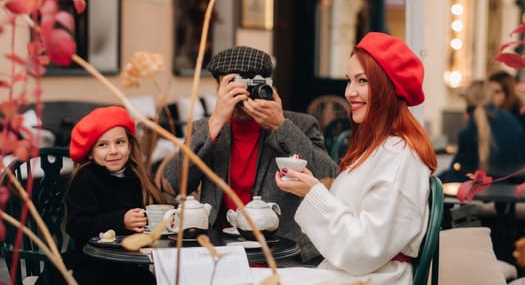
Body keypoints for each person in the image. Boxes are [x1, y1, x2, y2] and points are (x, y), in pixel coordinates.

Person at [274, 32, 437, 284]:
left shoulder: (399, 156)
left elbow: (364, 249)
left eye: (363, 81)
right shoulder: (379, 148)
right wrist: (310, 188)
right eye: (349, 81)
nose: (350, 92)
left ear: (388, 86)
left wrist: (314, 193)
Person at [163, 46, 338, 263]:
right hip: (221, 253)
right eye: (233, 85)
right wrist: (215, 122)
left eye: (250, 84)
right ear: (218, 88)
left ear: (269, 86)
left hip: (281, 254)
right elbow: (170, 184)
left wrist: (280, 126)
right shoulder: (205, 129)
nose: (242, 94)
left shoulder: (301, 125)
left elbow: (329, 180)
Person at [62, 106, 164, 285]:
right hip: (92, 264)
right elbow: (78, 226)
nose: (113, 151)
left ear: (130, 145)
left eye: (120, 142)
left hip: (130, 264)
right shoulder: (86, 179)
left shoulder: (138, 176)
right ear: (91, 153)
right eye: (103, 145)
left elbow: (154, 209)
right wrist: (121, 221)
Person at [440, 80, 525, 183]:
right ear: (492, 97)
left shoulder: (470, 129)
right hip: (513, 191)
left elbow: (459, 172)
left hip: (479, 192)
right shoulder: (513, 121)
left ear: (468, 100)